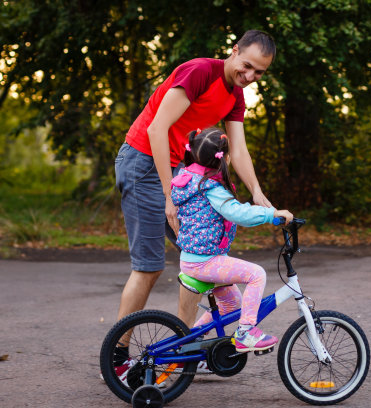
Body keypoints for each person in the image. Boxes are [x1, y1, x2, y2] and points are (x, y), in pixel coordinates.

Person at [111, 30, 277, 376]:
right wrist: (169, 196)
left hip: (180, 172)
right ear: (234, 52)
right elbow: (158, 129)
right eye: (246, 66)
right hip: (144, 161)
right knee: (149, 265)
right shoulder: (200, 72)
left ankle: (184, 349)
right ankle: (117, 358)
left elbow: (239, 150)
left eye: (259, 73)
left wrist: (258, 195)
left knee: (204, 257)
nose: (249, 77)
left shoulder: (235, 97)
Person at [172, 127, 293, 351]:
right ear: (225, 158)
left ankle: (190, 345)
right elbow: (237, 213)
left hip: (195, 259)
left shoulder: (187, 179)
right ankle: (246, 332)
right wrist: (271, 214)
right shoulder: (209, 187)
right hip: (204, 262)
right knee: (256, 274)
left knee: (231, 304)